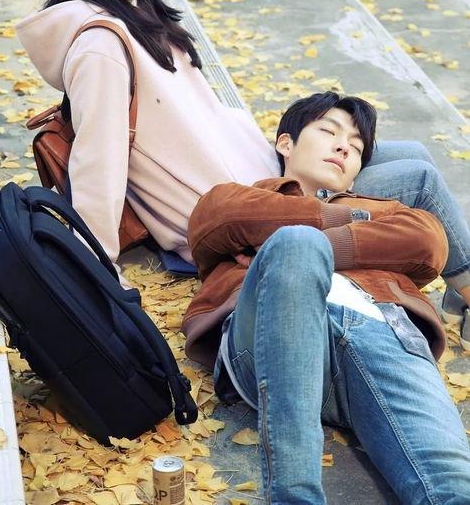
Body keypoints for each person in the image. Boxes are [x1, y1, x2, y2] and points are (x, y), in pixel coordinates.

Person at [16, 0, 470, 347]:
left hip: (262, 172)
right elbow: (99, 159)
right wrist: (98, 265)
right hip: (243, 208)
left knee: (412, 153)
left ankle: (459, 289)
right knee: (419, 180)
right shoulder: (100, 48)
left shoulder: (135, 15)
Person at [182, 92, 470, 504]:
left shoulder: (387, 206)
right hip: (274, 335)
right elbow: (218, 219)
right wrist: (349, 225)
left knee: (454, 488)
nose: (343, 147)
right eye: (328, 131)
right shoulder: (236, 196)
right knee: (297, 246)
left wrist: (322, 236)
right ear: (286, 143)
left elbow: (428, 241)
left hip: (383, 330)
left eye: (356, 146)